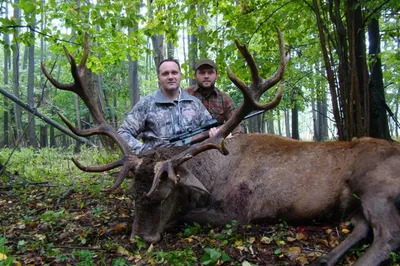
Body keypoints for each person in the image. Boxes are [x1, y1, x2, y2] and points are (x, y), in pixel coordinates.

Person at [118, 59, 214, 155]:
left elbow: (211, 128)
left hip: (193, 162)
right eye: (165, 74)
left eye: (174, 73)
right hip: (157, 164)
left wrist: (214, 135)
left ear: (180, 76)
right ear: (159, 78)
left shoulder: (195, 103)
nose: (170, 77)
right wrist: (146, 151)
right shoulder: (146, 104)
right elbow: (123, 133)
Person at [185, 58, 241, 135]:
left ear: (216, 75)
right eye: (202, 73)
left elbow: (236, 124)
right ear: (195, 75)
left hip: (217, 143)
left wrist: (232, 137)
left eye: (210, 72)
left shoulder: (224, 99)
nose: (206, 76)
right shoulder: (185, 95)